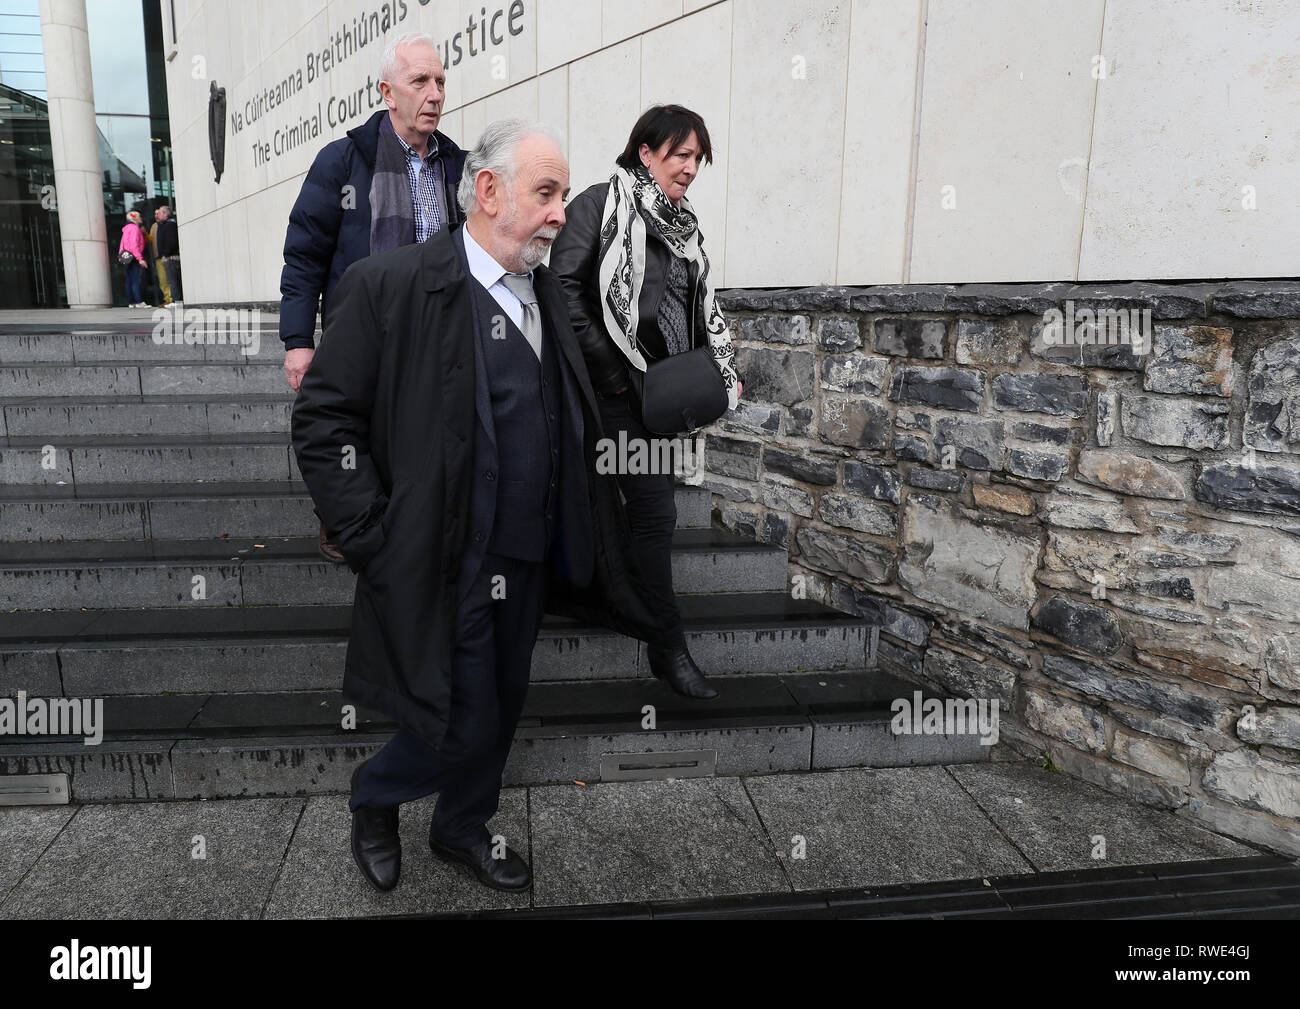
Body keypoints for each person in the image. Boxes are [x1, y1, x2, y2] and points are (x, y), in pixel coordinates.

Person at [291, 119, 657, 894]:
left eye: (563, 193)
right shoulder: (390, 286)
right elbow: (324, 418)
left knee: (504, 703)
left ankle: (461, 826)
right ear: (488, 192)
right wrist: (368, 531)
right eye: (547, 193)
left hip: (527, 557)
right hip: (440, 556)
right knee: (462, 717)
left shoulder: (547, 293)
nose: (563, 211)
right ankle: (374, 796)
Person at [549, 104, 741, 700]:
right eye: (680, 155)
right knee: (652, 516)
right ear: (645, 153)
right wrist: (613, 375)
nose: (690, 168)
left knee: (648, 518)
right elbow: (563, 289)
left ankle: (644, 626)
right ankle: (669, 646)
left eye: (697, 158)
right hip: (612, 399)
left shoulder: (684, 227)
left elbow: (691, 310)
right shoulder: (599, 206)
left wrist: (718, 370)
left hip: (658, 402)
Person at [280, 31, 466, 562]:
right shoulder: (343, 162)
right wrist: (298, 340)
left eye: (440, 81)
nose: (434, 93)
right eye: (420, 81)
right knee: (351, 426)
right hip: (363, 328)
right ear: (388, 92)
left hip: (438, 329)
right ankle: (341, 515)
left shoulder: (459, 165)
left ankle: (415, 521)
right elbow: (305, 256)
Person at [118, 210, 148, 308]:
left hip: (127, 257)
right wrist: (140, 258)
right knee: (135, 280)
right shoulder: (135, 228)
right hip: (134, 257)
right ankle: (139, 301)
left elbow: (123, 244)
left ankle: (132, 302)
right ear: (134, 218)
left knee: (129, 280)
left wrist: (121, 256)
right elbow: (134, 244)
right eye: (139, 216)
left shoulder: (126, 229)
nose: (141, 218)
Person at [155, 205, 182, 303]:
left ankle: (176, 301)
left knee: (172, 281)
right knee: (173, 280)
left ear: (166, 214)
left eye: (160, 213)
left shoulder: (169, 225)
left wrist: (165, 255)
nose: (158, 215)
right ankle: (176, 300)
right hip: (170, 256)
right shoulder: (167, 225)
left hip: (170, 257)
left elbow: (171, 242)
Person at [148, 207, 173, 305]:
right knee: (162, 281)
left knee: (169, 279)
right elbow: (150, 239)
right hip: (158, 257)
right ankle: (167, 299)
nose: (156, 215)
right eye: (155, 214)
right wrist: (144, 234)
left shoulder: (166, 225)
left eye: (158, 213)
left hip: (167, 256)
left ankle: (171, 299)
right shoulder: (154, 226)